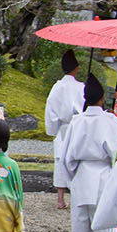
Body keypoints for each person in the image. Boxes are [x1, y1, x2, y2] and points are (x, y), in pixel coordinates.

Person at [62, 77, 117, 232]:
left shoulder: (77, 122)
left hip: (82, 171)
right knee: (103, 214)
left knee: (80, 216)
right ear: (103, 98)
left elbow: (67, 156)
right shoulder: (112, 122)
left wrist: (72, 176)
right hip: (104, 171)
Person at [43, 50, 85, 210]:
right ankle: (76, 196)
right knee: (76, 159)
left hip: (63, 126)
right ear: (76, 68)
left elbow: (51, 109)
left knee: (61, 160)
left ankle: (60, 199)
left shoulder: (57, 87)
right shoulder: (81, 87)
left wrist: (53, 129)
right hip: (77, 125)